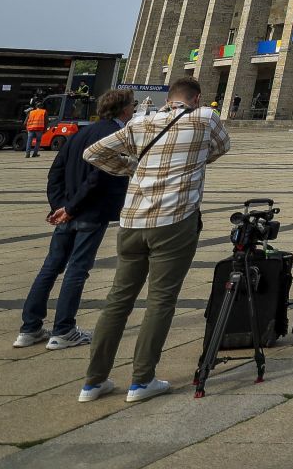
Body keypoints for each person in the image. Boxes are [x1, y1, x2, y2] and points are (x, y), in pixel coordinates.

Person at [77, 77, 230, 403]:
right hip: (174, 221)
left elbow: (93, 152)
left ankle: (93, 382)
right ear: (197, 98)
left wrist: (131, 167)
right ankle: (141, 380)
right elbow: (222, 147)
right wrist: (193, 160)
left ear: (169, 97)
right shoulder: (204, 118)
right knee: (160, 300)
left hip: (132, 221)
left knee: (118, 299)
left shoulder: (139, 123)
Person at [15, 89, 134, 351]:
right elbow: (98, 177)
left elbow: (55, 171)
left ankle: (29, 328)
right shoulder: (114, 136)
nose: (134, 110)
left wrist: (59, 206)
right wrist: (69, 208)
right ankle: (64, 330)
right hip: (89, 212)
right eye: (132, 106)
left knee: (50, 267)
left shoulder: (81, 133)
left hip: (67, 211)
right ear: (124, 110)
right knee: (77, 270)